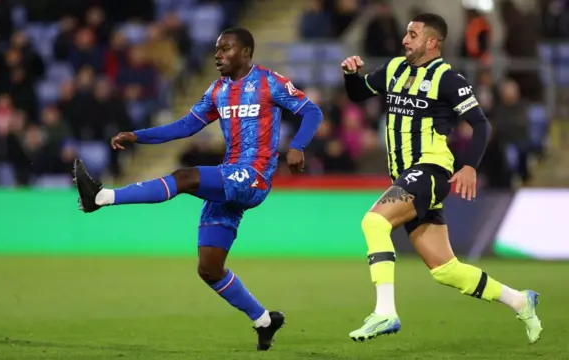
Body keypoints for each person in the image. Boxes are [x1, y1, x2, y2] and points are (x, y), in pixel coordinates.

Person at [73, 27, 323, 351]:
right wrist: (138, 135)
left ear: (246, 52)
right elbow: (186, 126)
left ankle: (101, 197)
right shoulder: (218, 90)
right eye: (217, 49)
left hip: (254, 177)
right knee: (209, 268)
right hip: (229, 177)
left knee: (186, 177)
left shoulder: (268, 82)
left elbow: (311, 111)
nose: (218, 55)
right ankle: (264, 320)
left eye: (226, 49)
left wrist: (299, 145)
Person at [340, 13, 542, 343]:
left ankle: (385, 312)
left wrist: (469, 166)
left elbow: (481, 124)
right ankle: (521, 300)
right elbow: (360, 93)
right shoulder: (393, 69)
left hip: (430, 170)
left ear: (432, 42)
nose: (405, 39)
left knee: (374, 223)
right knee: (446, 269)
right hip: (407, 176)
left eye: (413, 34)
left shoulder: (448, 79)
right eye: (406, 33)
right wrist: (351, 75)